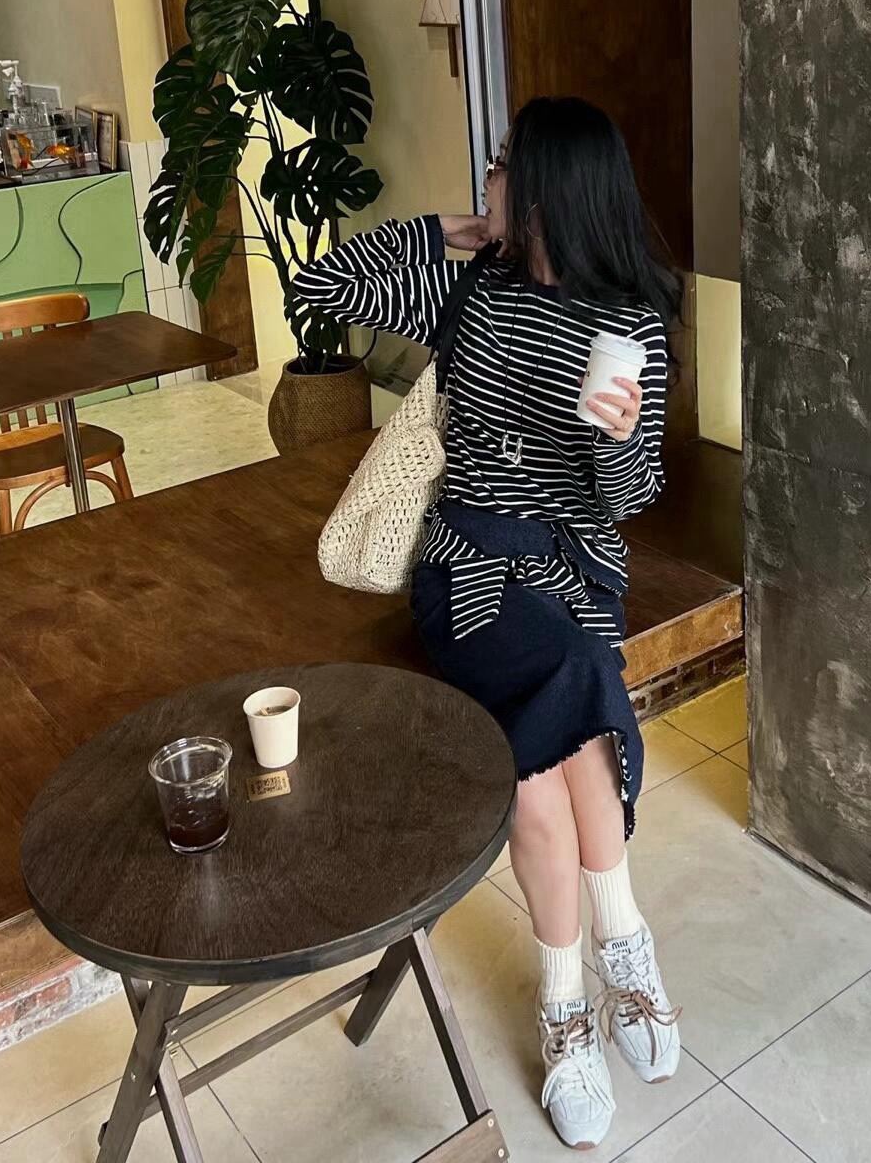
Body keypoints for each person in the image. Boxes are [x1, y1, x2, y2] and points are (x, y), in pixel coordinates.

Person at [292, 96, 682, 1151]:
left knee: (543, 774)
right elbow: (315, 287)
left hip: (573, 568)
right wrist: (440, 232)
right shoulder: (471, 287)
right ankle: (611, 960)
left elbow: (628, 496)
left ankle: (581, 993)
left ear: (550, 187)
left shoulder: (631, 326)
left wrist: (613, 445)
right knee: (574, 696)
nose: (488, 177)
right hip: (466, 570)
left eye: (503, 165)